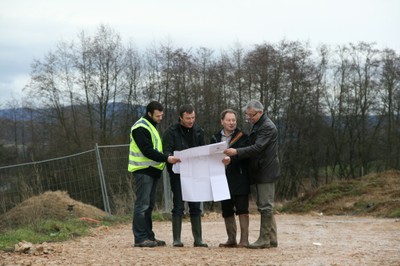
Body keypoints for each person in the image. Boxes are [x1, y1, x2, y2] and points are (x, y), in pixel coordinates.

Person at [224, 100, 280, 249]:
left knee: (265, 206)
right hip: (261, 170)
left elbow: (258, 147)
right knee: (265, 205)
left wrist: (237, 151)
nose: (249, 119)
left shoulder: (267, 127)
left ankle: (264, 239)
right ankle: (272, 238)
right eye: (247, 116)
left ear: (260, 112)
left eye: (251, 115)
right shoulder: (259, 124)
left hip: (266, 171)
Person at [128, 101, 180, 248]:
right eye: (158, 116)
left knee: (149, 205)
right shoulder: (140, 127)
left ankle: (149, 236)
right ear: (149, 114)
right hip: (143, 170)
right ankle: (140, 238)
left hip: (152, 171)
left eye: (162, 115)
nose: (160, 118)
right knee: (142, 205)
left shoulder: (150, 126)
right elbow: (147, 151)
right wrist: (167, 158)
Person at [163, 104, 208, 248]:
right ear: (180, 118)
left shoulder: (199, 131)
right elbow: (166, 150)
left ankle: (198, 239)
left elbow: (203, 150)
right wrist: (170, 157)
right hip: (178, 173)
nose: (191, 121)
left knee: (195, 205)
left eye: (193, 117)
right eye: (188, 118)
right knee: (178, 205)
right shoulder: (171, 132)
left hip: (195, 173)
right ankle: (177, 239)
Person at [210, 109, 250, 248]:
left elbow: (247, 155)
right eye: (228, 120)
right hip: (221, 179)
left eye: (234, 120)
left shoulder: (243, 137)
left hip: (239, 177)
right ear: (222, 121)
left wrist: (232, 160)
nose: (231, 123)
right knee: (226, 209)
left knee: (242, 209)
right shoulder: (214, 138)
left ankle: (244, 240)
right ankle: (231, 239)